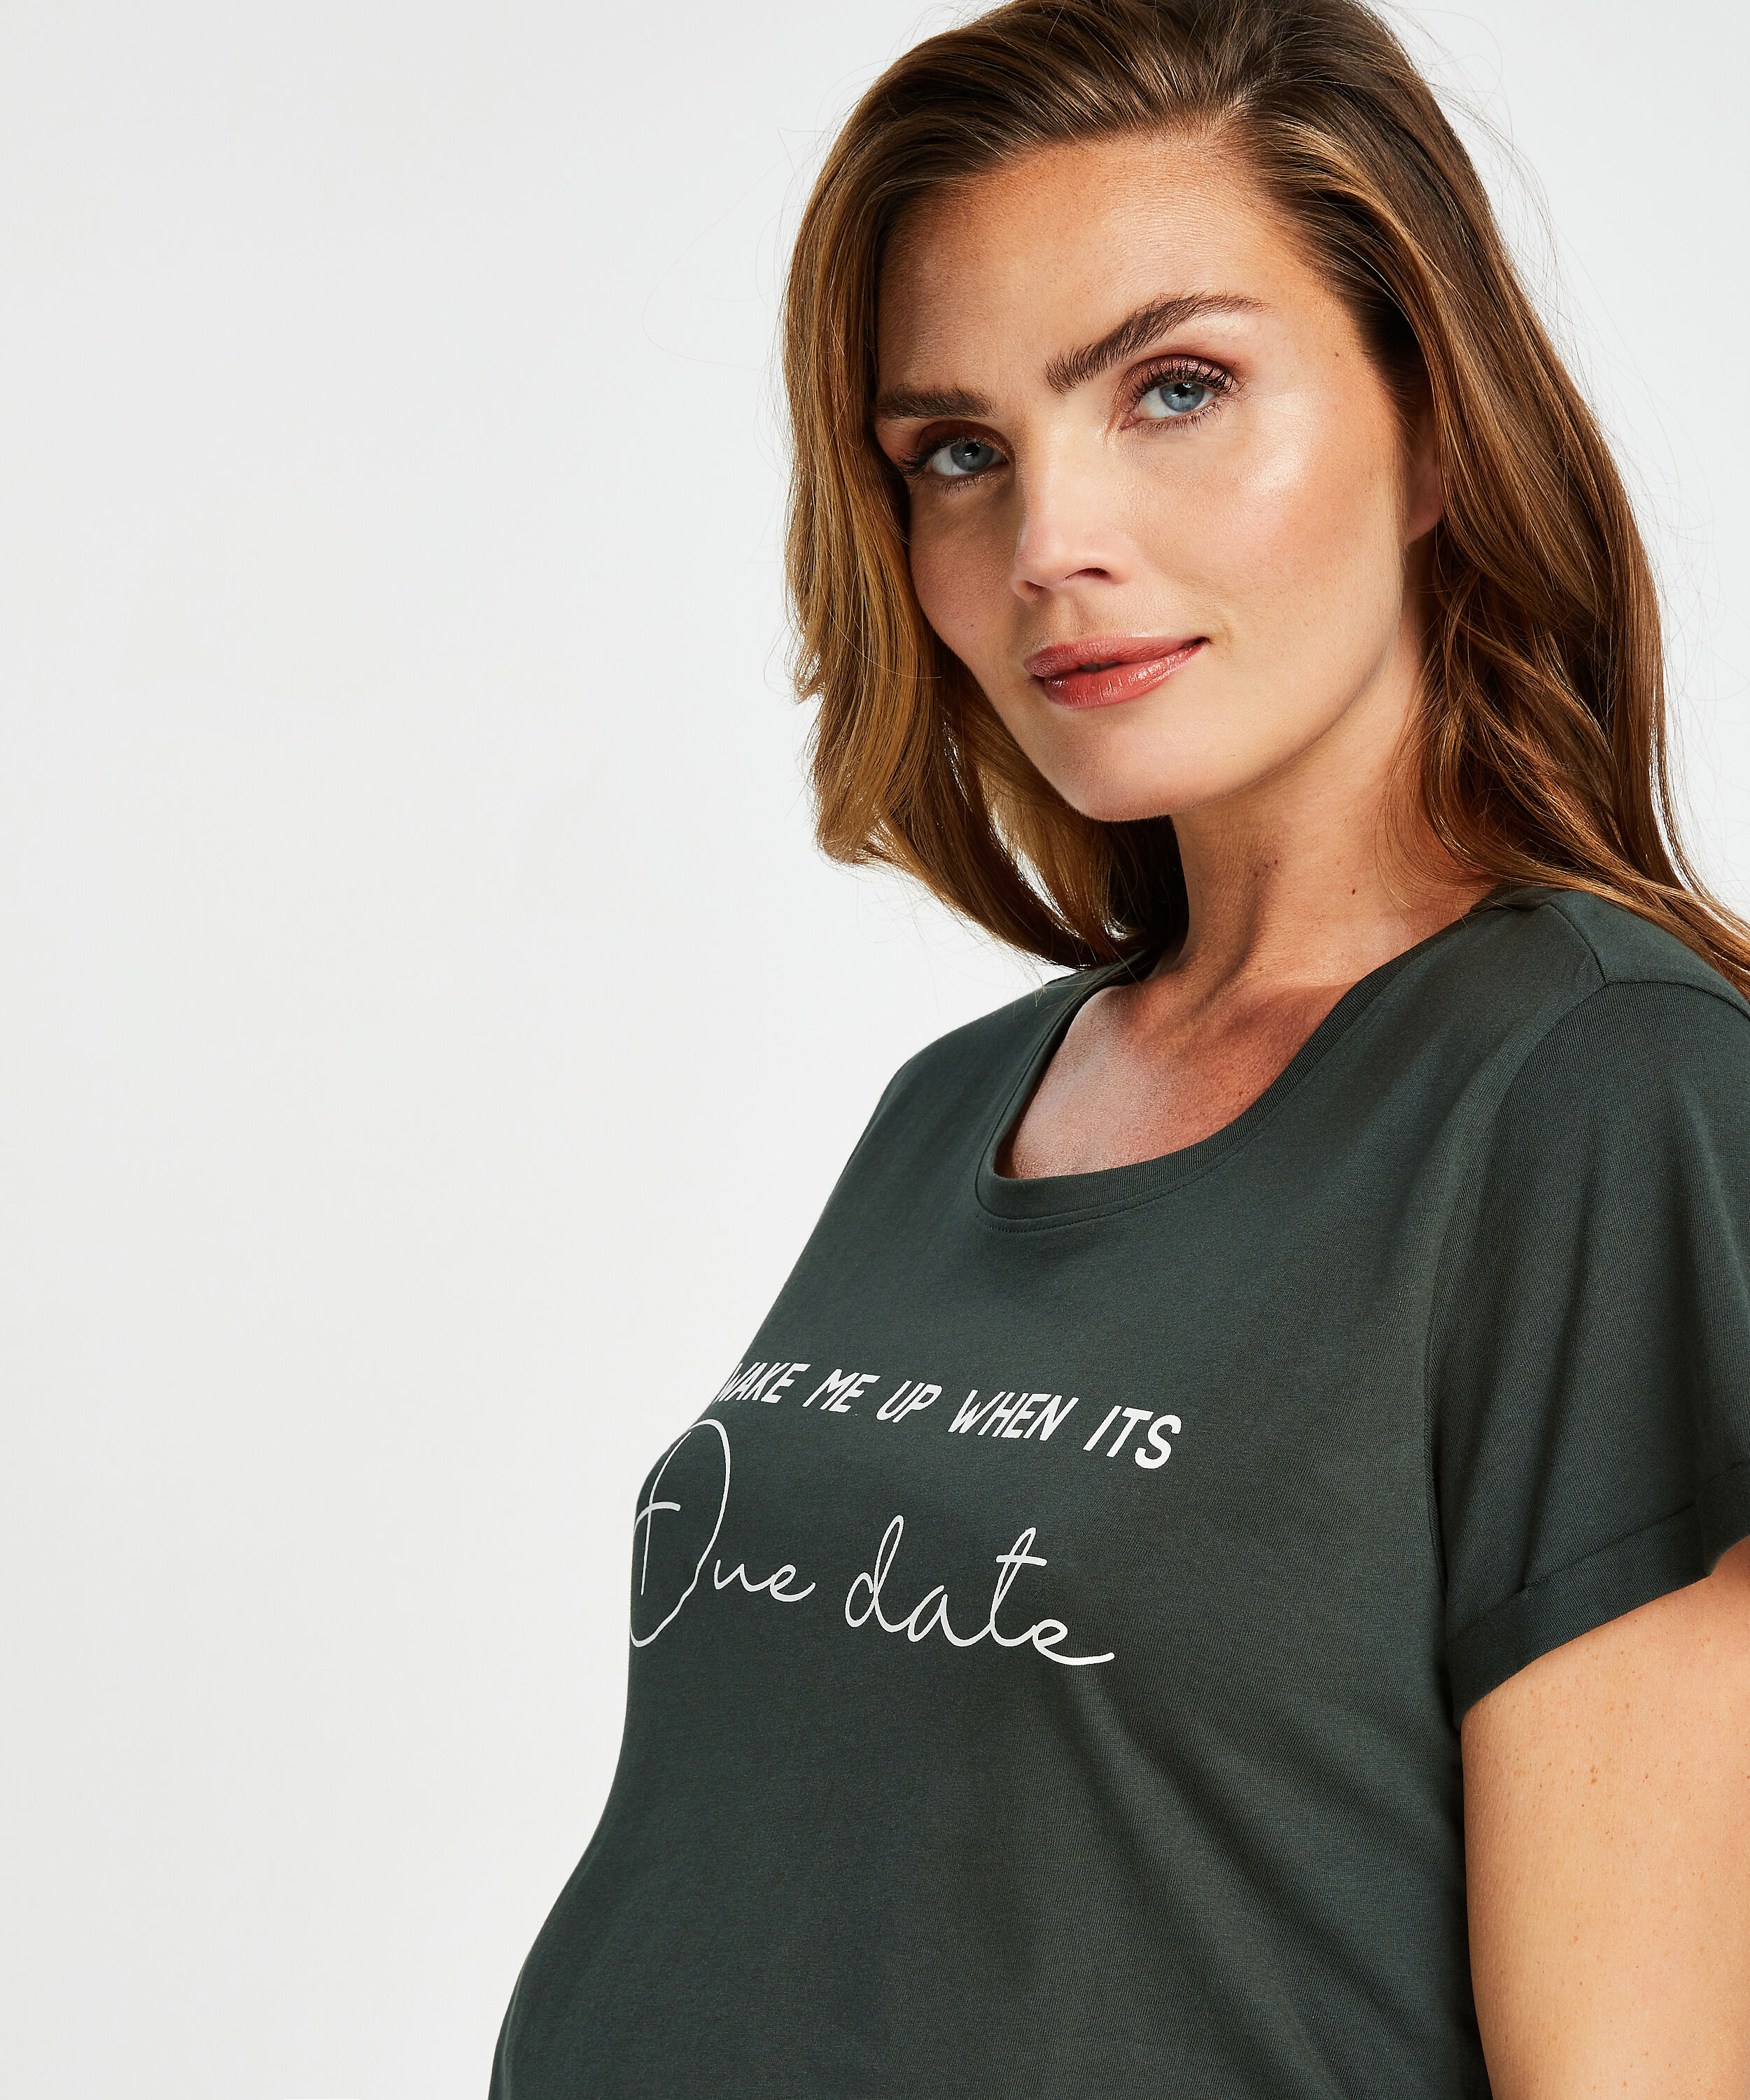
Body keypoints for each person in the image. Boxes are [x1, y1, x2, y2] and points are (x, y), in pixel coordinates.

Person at [488, 1, 1750, 2091]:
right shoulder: (951, 1112)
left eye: (1174, 388)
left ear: (1436, 426)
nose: (1046, 540)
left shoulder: (1604, 1097)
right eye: (956, 451)